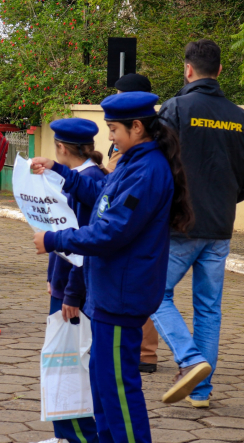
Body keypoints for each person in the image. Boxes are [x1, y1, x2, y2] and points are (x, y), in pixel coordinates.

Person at [30, 91, 194, 443]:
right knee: (103, 379)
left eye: (116, 129)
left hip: (124, 290)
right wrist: (61, 172)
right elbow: (100, 199)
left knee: (119, 383)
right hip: (108, 289)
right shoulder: (133, 163)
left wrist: (54, 238)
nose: (111, 137)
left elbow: (112, 229)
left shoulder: (147, 169)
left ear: (137, 127)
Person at [153, 39, 244, 408]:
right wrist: (223, 200)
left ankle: (191, 361)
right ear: (218, 71)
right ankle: (200, 391)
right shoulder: (240, 116)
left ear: (188, 70)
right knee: (208, 308)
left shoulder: (175, 109)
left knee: (153, 293)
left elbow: (157, 165)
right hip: (219, 228)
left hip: (180, 226)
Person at [24, 118, 105, 443]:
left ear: (61, 148)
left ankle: (85, 441)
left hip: (77, 289)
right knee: (57, 359)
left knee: (72, 363)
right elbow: (60, 229)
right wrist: (52, 278)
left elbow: (82, 245)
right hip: (64, 283)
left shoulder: (90, 182)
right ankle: (65, 434)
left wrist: (71, 292)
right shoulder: (85, 177)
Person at [105, 73, 160, 374]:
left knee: (149, 291)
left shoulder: (147, 161)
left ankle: (147, 352)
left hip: (142, 231)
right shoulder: (135, 146)